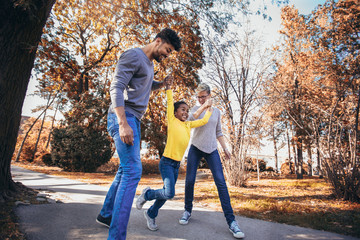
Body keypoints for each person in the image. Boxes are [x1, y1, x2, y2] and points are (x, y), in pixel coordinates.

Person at [96, 28, 181, 240]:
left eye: (170, 53)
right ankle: (116, 237)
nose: (167, 55)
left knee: (124, 170)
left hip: (134, 119)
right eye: (167, 50)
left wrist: (161, 85)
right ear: (157, 41)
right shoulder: (133, 55)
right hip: (124, 116)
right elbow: (116, 88)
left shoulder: (149, 65)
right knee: (133, 171)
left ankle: (106, 214)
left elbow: (144, 84)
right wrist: (123, 123)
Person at [135, 79, 213, 231]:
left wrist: (208, 107)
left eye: (187, 110)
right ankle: (147, 194)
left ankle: (151, 213)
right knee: (169, 193)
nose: (185, 112)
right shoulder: (172, 120)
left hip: (176, 165)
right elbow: (169, 102)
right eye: (182, 110)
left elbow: (203, 121)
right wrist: (168, 88)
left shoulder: (188, 124)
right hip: (166, 162)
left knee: (165, 194)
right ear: (175, 113)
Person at [179, 83, 245, 239]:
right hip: (195, 148)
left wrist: (225, 148)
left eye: (204, 96)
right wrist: (203, 107)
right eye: (199, 97)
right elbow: (189, 119)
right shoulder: (195, 109)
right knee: (189, 181)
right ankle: (187, 210)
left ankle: (231, 222)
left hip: (212, 149)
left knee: (221, 183)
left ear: (209, 95)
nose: (201, 99)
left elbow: (218, 132)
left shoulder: (217, 112)